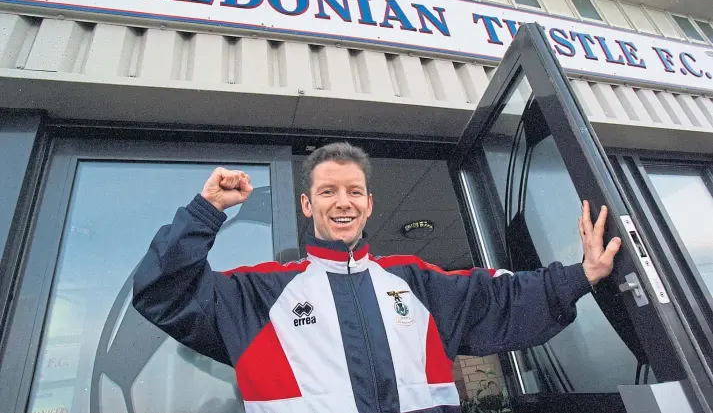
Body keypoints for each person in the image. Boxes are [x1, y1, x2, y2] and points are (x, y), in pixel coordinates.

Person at [132, 142, 621, 413]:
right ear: (307, 205)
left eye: (353, 191)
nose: (342, 202)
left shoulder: (416, 282)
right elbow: (166, 295)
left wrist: (585, 274)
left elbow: (503, 298)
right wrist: (206, 211)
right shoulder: (258, 294)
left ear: (368, 205)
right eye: (327, 191)